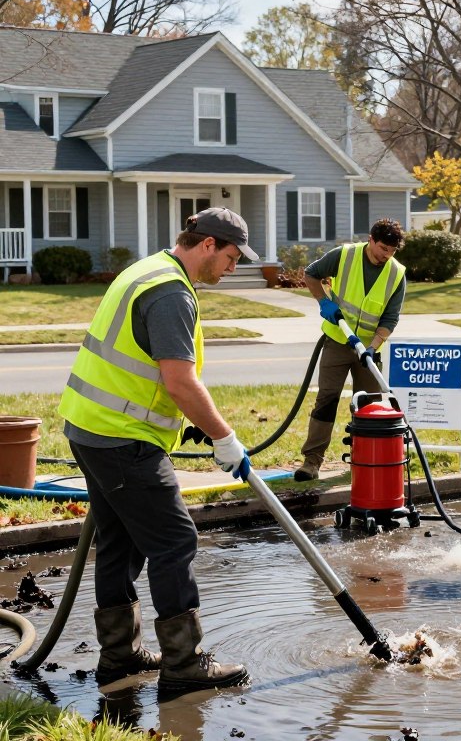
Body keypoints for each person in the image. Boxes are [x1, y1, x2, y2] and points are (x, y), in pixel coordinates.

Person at [58, 207, 253, 693]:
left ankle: (120, 658)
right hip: (124, 439)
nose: (233, 268)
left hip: (91, 427)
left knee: (120, 542)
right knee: (174, 541)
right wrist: (224, 438)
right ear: (208, 244)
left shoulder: (147, 269)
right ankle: (185, 666)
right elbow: (181, 382)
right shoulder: (169, 292)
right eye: (231, 257)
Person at [295, 218, 406, 481]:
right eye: (382, 248)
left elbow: (390, 319)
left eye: (391, 251)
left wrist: (372, 348)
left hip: (367, 350)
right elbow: (311, 273)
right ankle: (312, 461)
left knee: (368, 405)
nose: (386, 256)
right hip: (337, 341)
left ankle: (364, 459)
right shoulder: (345, 255)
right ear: (370, 239)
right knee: (327, 399)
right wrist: (324, 302)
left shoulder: (396, 273)